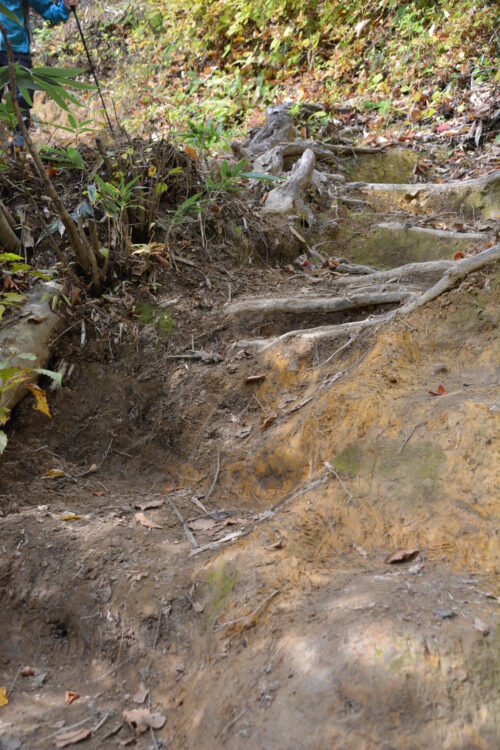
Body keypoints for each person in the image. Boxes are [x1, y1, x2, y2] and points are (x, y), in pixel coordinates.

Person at [0, 1, 78, 144]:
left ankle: (16, 154)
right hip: (16, 50)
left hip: (17, 51)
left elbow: (48, 10)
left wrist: (66, 7)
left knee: (22, 101)